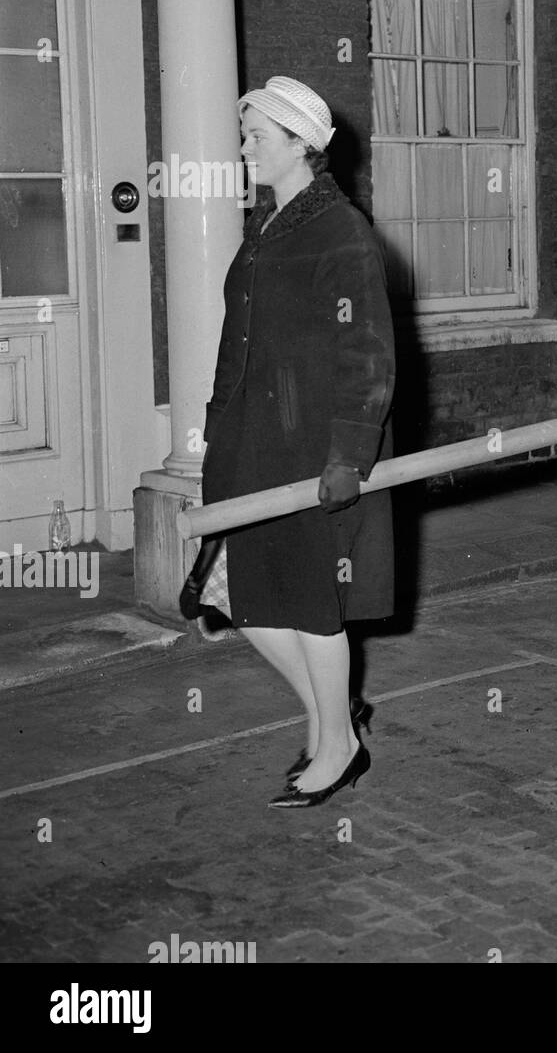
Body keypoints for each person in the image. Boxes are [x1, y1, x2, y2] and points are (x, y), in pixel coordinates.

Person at [201, 76, 396, 805]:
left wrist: (349, 453)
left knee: (314, 602)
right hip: (253, 445)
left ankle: (337, 748)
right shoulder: (267, 226)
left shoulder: (341, 233)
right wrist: (220, 431)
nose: (245, 146)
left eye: (256, 135)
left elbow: (369, 351)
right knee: (234, 594)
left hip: (314, 450)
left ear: (301, 145)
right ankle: (331, 717)